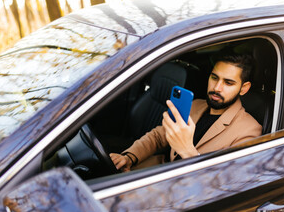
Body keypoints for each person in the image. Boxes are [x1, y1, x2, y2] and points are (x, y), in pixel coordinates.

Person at [110, 54, 262, 172]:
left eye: (228, 83)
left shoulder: (249, 131)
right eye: (214, 78)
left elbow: (223, 183)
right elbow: (158, 136)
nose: (217, 88)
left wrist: (187, 151)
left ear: (244, 88)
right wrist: (129, 157)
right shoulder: (195, 105)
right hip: (157, 172)